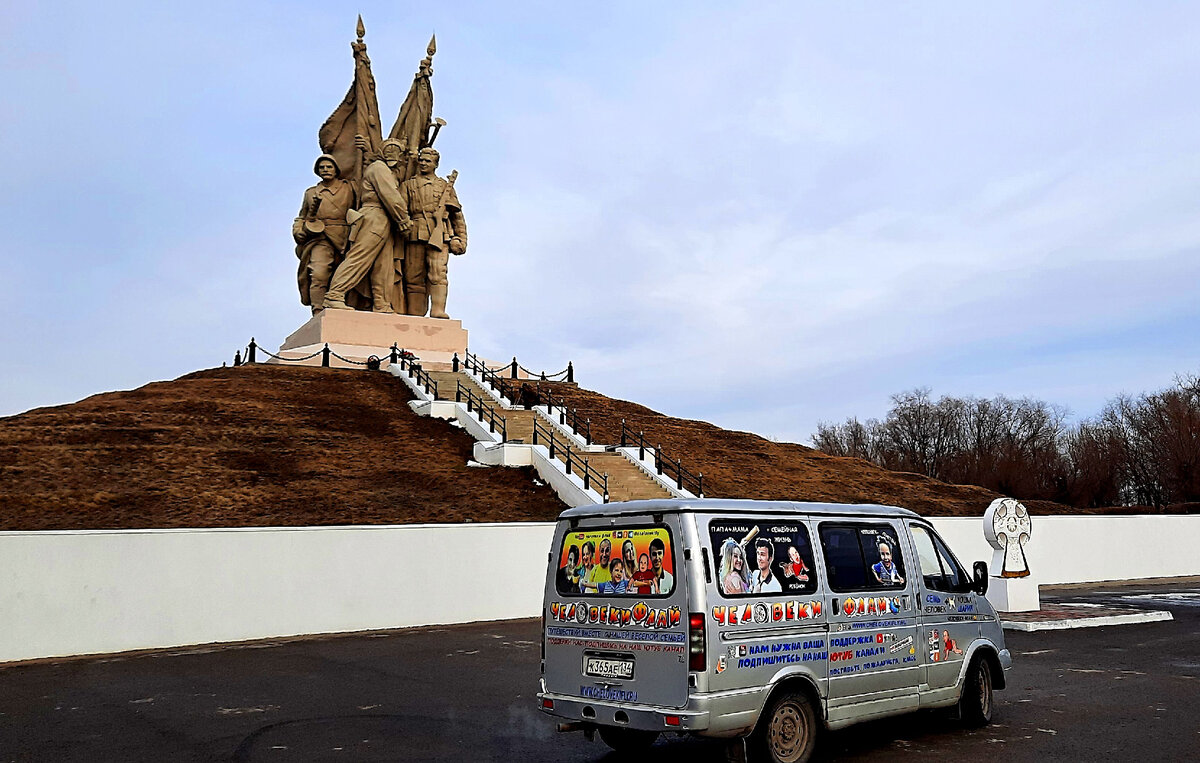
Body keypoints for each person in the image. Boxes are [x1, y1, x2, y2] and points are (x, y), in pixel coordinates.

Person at [323, 139, 412, 312]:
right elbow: (391, 196)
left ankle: (382, 304)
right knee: (359, 257)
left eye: (397, 151)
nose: (394, 154)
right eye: (391, 150)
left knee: (384, 265)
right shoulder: (379, 168)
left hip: (385, 219)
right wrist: (404, 220)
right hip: (374, 215)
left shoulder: (386, 170)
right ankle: (334, 294)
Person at [399, 147, 467, 318]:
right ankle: (415, 315)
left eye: (428, 161)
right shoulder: (408, 185)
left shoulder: (444, 186)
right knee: (413, 277)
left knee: (438, 273)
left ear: (435, 164)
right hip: (414, 232)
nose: (423, 163)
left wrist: (461, 239)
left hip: (440, 234)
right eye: (421, 160)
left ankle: (437, 310)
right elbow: (400, 210)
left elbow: (457, 215)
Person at [293, 155, 356, 314]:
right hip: (321, 237)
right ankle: (318, 310)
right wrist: (298, 230)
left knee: (344, 274)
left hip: (346, 237)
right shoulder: (311, 193)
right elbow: (302, 217)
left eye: (329, 167)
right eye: (322, 168)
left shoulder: (348, 188)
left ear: (336, 170)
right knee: (318, 273)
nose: (325, 170)